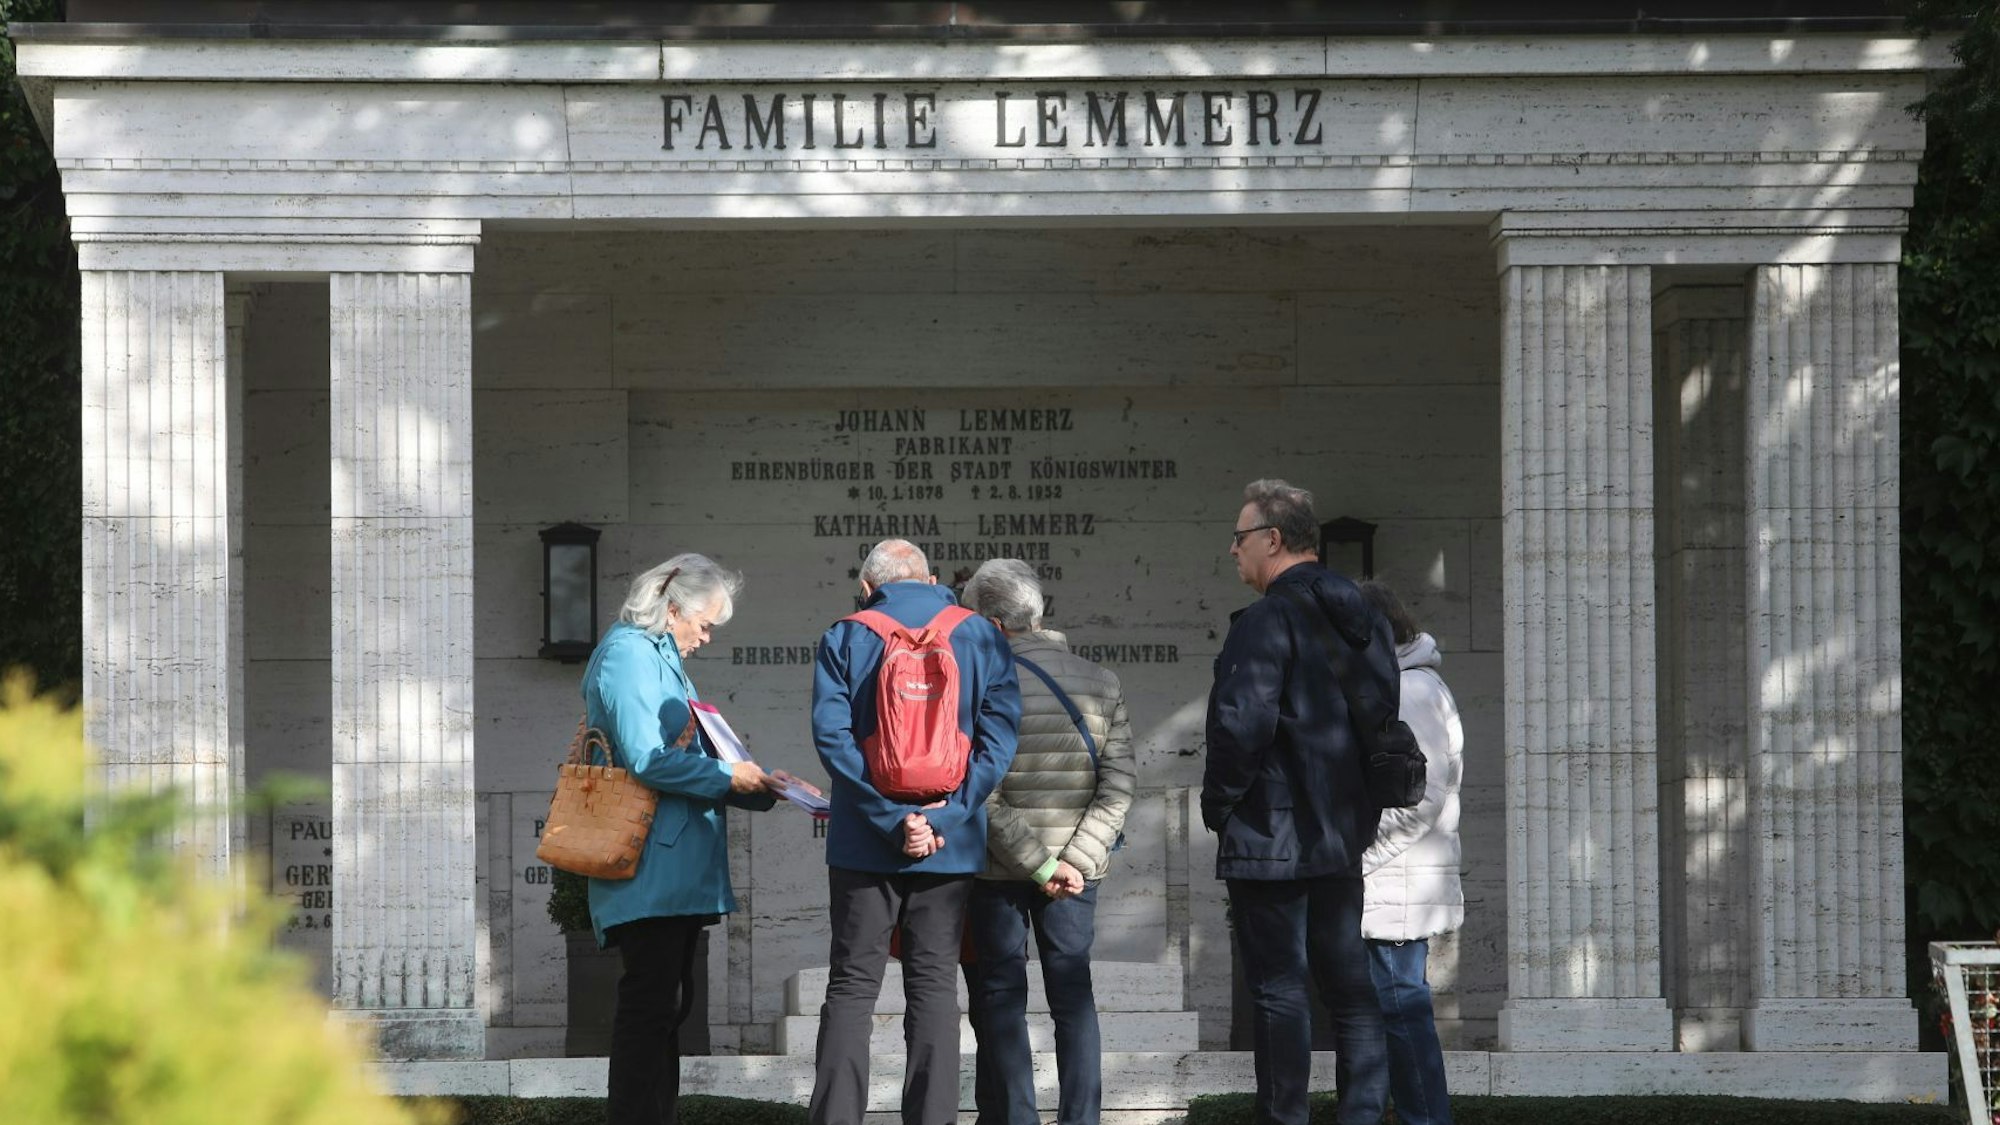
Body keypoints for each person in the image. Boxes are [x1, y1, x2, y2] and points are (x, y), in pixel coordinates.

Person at [1202, 479, 1400, 1125]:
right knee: (1349, 985)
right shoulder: (1366, 620)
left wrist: (1221, 805)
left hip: (1272, 832)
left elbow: (1241, 724)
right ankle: (1362, 1114)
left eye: (1239, 537)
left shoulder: (1265, 620)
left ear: (1273, 539)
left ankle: (1284, 1117)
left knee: (1278, 987)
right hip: (1342, 829)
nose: (1233, 551)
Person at [808, 539, 1023, 1125]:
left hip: (861, 842)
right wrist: (942, 819)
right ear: (930, 580)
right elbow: (998, 743)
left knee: (852, 987)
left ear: (867, 586)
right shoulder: (979, 634)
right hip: (949, 849)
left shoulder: (846, 635)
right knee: (933, 989)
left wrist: (889, 818)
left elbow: (832, 740)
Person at [584, 554, 800, 1125]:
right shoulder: (630, 653)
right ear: (672, 608)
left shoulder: (657, 656)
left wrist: (761, 786)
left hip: (672, 861)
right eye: (704, 624)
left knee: (666, 1009)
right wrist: (732, 777)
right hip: (650, 859)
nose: (706, 638)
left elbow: (697, 754)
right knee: (651, 1007)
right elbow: (647, 759)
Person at [958, 559, 1136, 1125]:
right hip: (1078, 875)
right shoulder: (1101, 681)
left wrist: (1039, 865)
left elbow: (978, 791)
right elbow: (1120, 785)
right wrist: (1073, 862)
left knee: (1001, 999)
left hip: (998, 870)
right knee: (1073, 998)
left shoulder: (981, 682)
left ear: (991, 621)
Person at [1354, 580, 1463, 1125]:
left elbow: (1419, 801)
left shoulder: (1412, 691)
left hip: (1396, 883)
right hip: (1394, 881)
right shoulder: (1401, 685)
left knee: (1401, 1008)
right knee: (1390, 1011)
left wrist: (1357, 860)